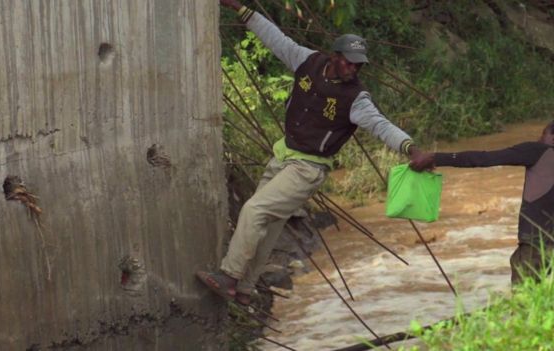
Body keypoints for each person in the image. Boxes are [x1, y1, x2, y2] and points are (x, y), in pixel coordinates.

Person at [197, 0, 426, 305]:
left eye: (358, 65)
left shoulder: (356, 98)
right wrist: (240, 9)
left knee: (254, 210)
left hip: (307, 169)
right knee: (268, 224)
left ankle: (229, 276)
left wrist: (409, 147)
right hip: (283, 154)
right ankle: (245, 288)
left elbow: (381, 126)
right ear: (335, 56)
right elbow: (276, 39)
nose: (353, 68)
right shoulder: (308, 62)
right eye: (349, 62)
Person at [410, 121, 554, 285]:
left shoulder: (537, 151)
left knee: (524, 302)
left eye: (543, 134)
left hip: (535, 247)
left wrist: (436, 158)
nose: (538, 139)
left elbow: (483, 158)